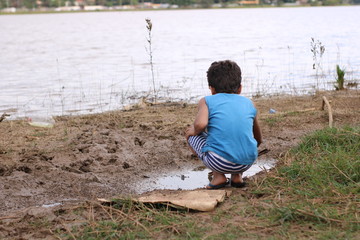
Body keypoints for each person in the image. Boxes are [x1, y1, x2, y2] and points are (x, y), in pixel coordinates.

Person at [185, 60, 262, 189]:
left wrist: (192, 131)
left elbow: (201, 124)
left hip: (219, 162)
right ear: (240, 88)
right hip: (247, 161)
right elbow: (258, 139)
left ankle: (218, 176)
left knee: (192, 135)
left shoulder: (206, 101)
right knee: (239, 139)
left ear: (212, 89)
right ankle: (237, 176)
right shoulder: (250, 103)